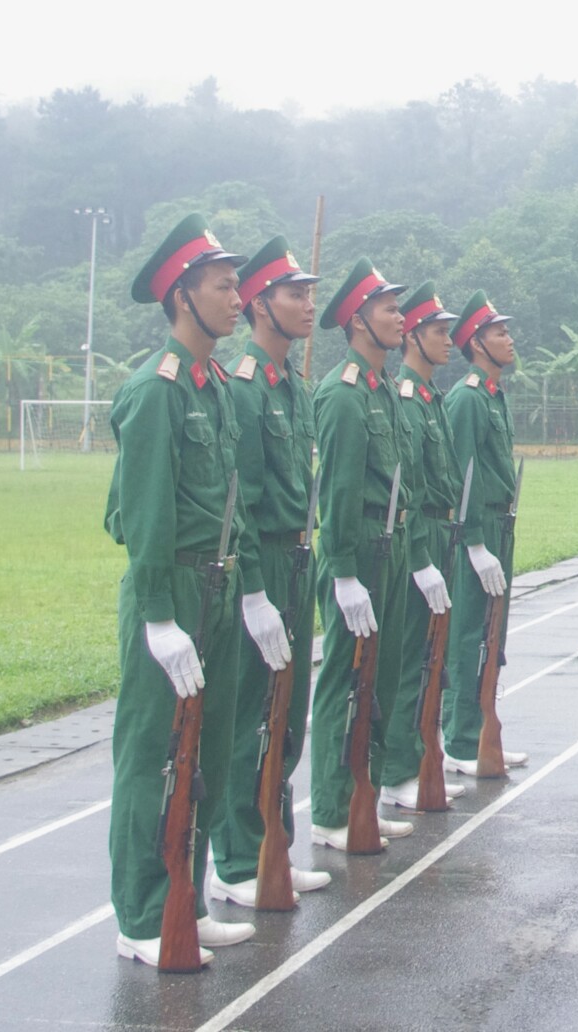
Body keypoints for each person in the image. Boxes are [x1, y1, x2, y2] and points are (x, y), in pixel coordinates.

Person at [102, 213, 256, 966]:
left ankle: (184, 904)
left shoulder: (216, 387)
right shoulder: (155, 392)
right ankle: (140, 915)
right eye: (223, 287)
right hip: (172, 594)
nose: (239, 299)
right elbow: (140, 517)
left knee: (206, 753)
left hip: (218, 588)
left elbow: (234, 501)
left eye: (236, 287)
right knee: (152, 754)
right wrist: (160, 617)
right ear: (181, 298)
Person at [206, 236, 331, 909]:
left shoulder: (295, 385)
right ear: (259, 306)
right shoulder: (247, 389)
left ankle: (272, 846)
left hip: (298, 560)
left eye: (311, 294)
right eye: (294, 294)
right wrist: (253, 589)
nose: (308, 304)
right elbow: (242, 501)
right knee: (251, 714)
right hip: (264, 564)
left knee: (286, 719)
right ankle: (236, 861)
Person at [306, 258, 419, 852]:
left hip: (392, 544)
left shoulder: (383, 390)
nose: (399, 318)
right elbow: (340, 492)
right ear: (356, 321)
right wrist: (344, 573)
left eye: (399, 308)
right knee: (345, 679)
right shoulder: (344, 395)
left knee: (381, 678)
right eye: (387, 309)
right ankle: (331, 808)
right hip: (360, 553)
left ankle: (364, 798)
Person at [378, 283, 463, 811]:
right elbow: (407, 482)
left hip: (440, 528)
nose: (449, 341)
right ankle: (397, 768)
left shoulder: (430, 398)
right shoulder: (407, 399)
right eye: (438, 332)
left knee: (431, 658)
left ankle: (415, 759)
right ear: (412, 336)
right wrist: (423, 557)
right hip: (419, 533)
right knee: (411, 657)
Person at [441, 289, 527, 777]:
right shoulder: (467, 400)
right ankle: (459, 739)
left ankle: (482, 732)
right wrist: (474, 542)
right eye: (499, 332)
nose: (508, 339)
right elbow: (462, 477)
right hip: (480, 529)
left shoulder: (492, 396)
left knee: (492, 637)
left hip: (501, 523)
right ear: (476, 343)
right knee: (469, 632)